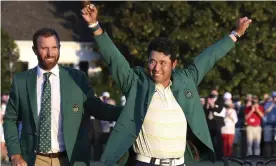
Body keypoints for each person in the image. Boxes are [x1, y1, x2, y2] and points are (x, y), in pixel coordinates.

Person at [82, 4, 252, 166]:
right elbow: (114, 59)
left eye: (163, 62)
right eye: (152, 61)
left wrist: (235, 34)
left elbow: (210, 57)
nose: (156, 68)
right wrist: (95, 26)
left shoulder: (187, 80)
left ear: (174, 64)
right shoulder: (135, 83)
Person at [3, 28, 122, 166]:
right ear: (35, 50)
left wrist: (128, 111)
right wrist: (15, 154)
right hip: (34, 160)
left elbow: (98, 109)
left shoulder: (77, 78)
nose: (50, 53)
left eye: (54, 47)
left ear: (59, 48)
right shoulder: (21, 81)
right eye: (44, 48)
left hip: (70, 159)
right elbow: (10, 120)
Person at [204, 88, 225, 160]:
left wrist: (212, 105)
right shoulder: (208, 100)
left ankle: (220, 156)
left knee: (218, 140)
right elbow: (205, 111)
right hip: (210, 123)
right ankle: (211, 156)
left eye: (214, 94)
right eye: (211, 94)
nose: (212, 96)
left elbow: (219, 110)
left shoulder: (220, 101)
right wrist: (207, 105)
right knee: (211, 140)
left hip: (218, 123)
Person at [263, 91, 276, 157]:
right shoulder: (268, 104)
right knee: (267, 141)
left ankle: (274, 155)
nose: (274, 98)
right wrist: (273, 104)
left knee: (275, 141)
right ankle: (268, 156)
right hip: (268, 124)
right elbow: (266, 112)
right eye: (274, 97)